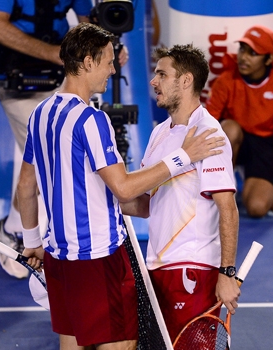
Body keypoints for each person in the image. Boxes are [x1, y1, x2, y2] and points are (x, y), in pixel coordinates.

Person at [17, 23, 226, 350]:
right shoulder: (91, 119)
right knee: (122, 345)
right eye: (108, 62)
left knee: (72, 343)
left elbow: (26, 186)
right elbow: (124, 189)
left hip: (58, 256)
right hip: (98, 259)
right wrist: (184, 156)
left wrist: (31, 241)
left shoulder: (41, 113)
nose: (113, 71)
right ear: (87, 63)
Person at [0, 0, 130, 279]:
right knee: (45, 162)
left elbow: (89, 24)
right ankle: (16, 229)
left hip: (58, 77)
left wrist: (107, 50)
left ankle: (19, 226)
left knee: (49, 166)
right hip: (17, 78)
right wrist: (57, 53)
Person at [121, 43, 241, 343]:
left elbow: (228, 207)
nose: (153, 81)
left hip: (193, 269)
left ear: (185, 80)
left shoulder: (208, 134)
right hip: (158, 265)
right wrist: (105, 201)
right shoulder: (159, 132)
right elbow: (149, 204)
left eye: (162, 74)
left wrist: (226, 273)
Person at [206, 25, 273, 219]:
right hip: (234, 139)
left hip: (264, 144)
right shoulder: (226, 79)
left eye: (253, 53)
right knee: (228, 128)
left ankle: (253, 183)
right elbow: (206, 124)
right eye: (242, 49)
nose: (243, 57)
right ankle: (222, 189)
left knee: (257, 208)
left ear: (269, 59)